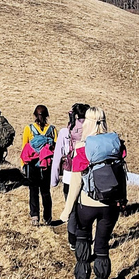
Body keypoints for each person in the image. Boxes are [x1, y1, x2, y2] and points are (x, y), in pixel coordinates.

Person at [60, 107, 125, 279]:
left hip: (87, 204)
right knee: (102, 246)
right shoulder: (116, 144)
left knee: (83, 238)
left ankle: (82, 278)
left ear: (87, 121)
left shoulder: (82, 147)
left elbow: (77, 183)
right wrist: (122, 200)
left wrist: (67, 209)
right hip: (110, 205)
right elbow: (122, 175)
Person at [51, 103, 90, 249]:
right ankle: (85, 236)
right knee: (86, 206)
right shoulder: (91, 131)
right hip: (87, 175)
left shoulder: (65, 132)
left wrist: (54, 180)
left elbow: (57, 157)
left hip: (69, 175)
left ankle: (73, 240)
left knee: (71, 206)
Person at [21, 105, 57, 226]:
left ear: (34, 115)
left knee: (33, 191)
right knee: (46, 192)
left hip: (32, 166)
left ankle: (35, 216)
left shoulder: (29, 129)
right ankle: (48, 217)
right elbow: (56, 150)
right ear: (47, 115)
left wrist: (23, 165)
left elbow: (24, 147)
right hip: (46, 165)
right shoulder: (52, 130)